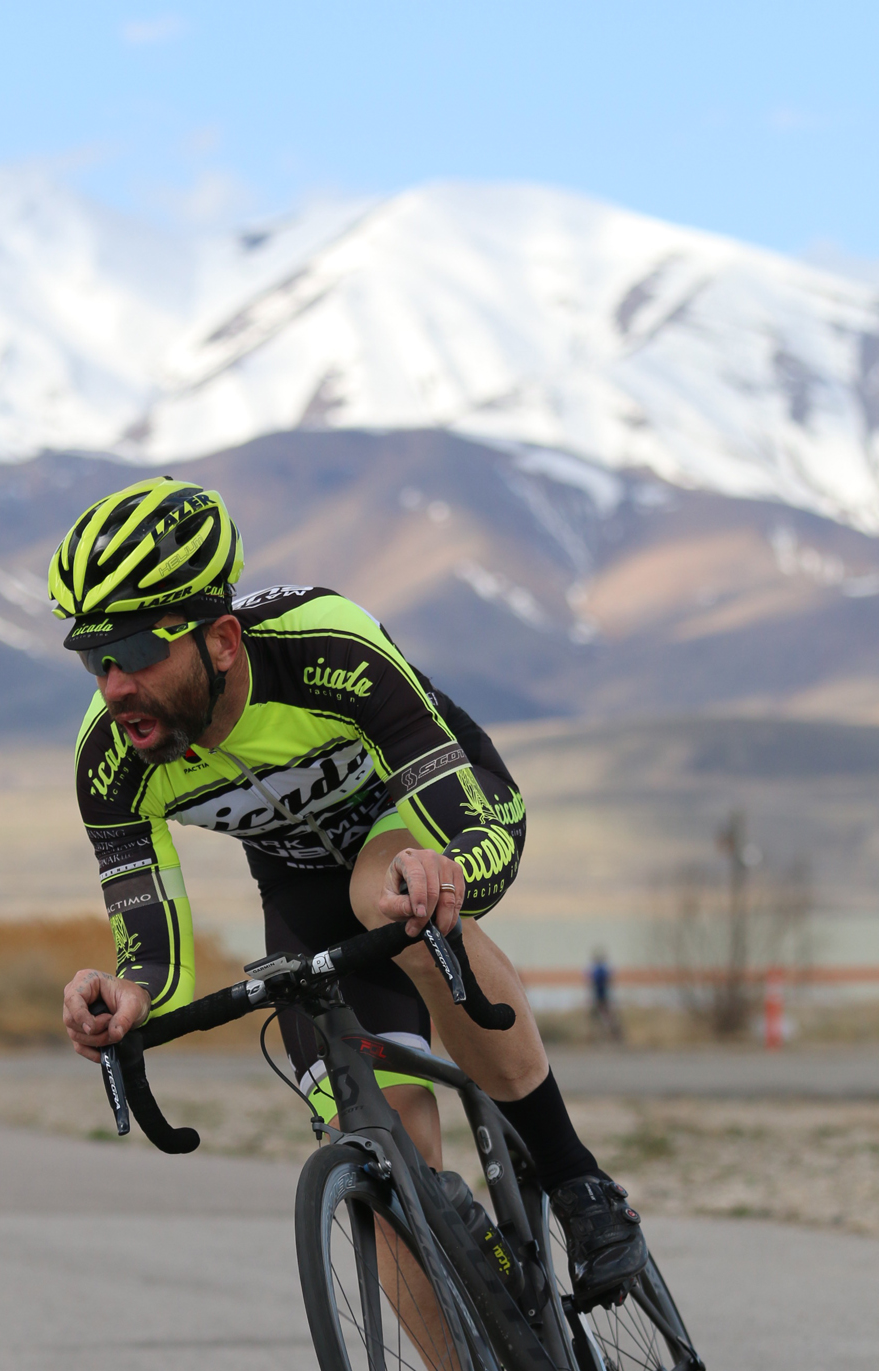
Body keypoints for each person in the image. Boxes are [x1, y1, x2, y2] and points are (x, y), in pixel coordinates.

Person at [56, 477, 646, 1309]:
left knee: (388, 895)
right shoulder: (108, 762)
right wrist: (127, 994)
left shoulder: (323, 647)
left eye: (140, 654)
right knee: (380, 1157)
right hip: (300, 890)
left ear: (222, 640)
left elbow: (459, 822)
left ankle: (578, 1184)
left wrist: (452, 871)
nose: (115, 686)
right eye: (95, 659)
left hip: (441, 812)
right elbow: (154, 953)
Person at [588, 949, 623, 1043]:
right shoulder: (603, 971)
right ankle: (607, 1036)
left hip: (602, 998)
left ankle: (610, 1036)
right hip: (602, 998)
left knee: (605, 1018)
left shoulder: (598, 971)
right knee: (606, 1018)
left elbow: (593, 983)